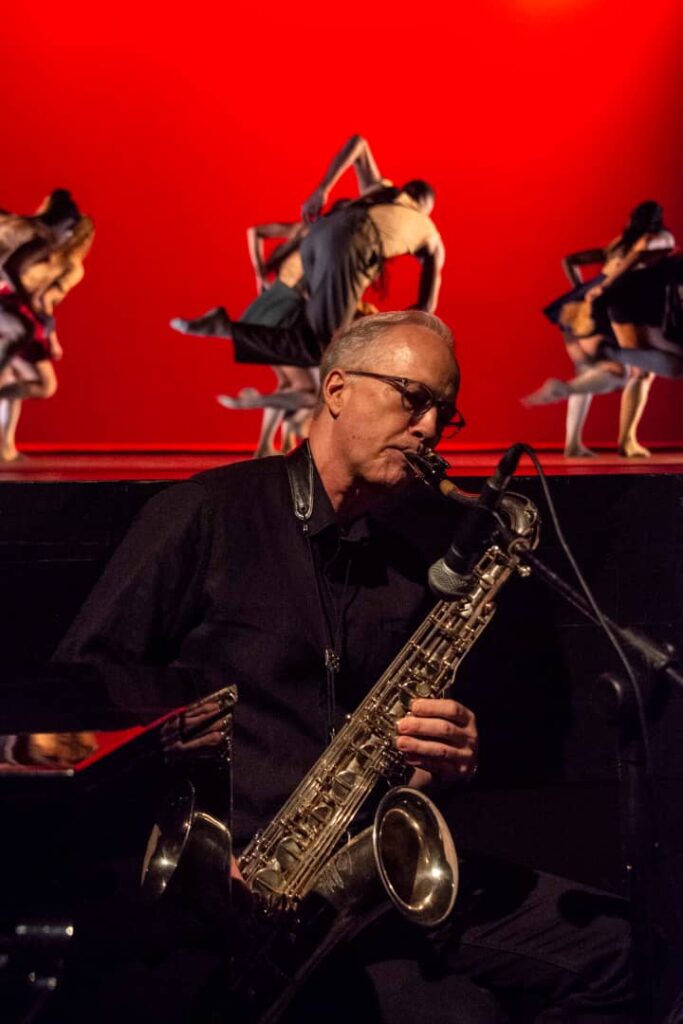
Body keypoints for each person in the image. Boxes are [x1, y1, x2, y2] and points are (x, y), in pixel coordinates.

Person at [52, 310, 632, 1023]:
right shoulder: (204, 513)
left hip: (353, 887)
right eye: (411, 397)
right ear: (334, 390)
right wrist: (193, 850)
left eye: (442, 414)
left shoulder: (414, 558)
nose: (427, 427)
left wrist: (440, 758)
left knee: (617, 949)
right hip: (222, 897)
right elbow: (76, 706)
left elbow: (397, 753)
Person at [523, 201, 678, 458]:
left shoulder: (618, 243)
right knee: (640, 373)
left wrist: (580, 290)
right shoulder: (658, 238)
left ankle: (573, 443)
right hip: (611, 306)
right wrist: (605, 288)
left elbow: (571, 260)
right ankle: (627, 440)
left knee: (590, 369)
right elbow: (638, 256)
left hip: (577, 307)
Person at [0, 191, 89, 461]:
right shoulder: (43, 236)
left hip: (13, 304)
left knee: (22, 376)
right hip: (12, 305)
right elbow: (13, 270)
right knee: (23, 348)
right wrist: (30, 310)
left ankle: (6, 447)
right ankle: (5, 447)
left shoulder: (29, 232)